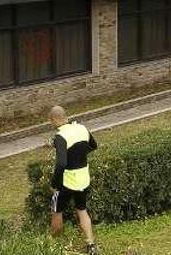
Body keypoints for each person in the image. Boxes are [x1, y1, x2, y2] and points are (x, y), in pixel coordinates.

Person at [48, 105, 98, 254]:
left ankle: (55, 246)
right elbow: (94, 145)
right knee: (82, 210)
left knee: (57, 210)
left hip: (67, 181)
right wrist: (80, 156)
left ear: (53, 120)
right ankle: (91, 245)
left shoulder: (60, 136)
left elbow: (61, 163)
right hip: (83, 178)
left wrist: (54, 184)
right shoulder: (81, 128)